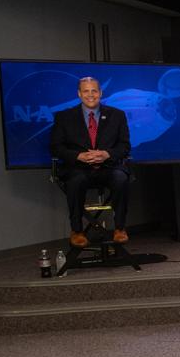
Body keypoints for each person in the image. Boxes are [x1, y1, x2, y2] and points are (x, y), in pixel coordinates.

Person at [49, 76, 132, 247]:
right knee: (76, 181)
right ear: (79, 94)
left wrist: (107, 154)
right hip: (79, 168)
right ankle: (77, 231)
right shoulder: (64, 117)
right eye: (86, 91)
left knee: (121, 178)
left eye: (94, 90)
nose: (90, 95)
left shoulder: (117, 115)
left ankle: (120, 228)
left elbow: (125, 146)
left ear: (100, 93)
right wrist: (78, 156)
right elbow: (56, 147)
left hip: (108, 167)